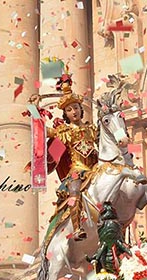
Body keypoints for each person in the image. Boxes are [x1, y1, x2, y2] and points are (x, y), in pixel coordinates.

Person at [46, 75, 99, 241]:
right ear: (65, 114)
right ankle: (77, 228)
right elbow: (51, 154)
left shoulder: (92, 129)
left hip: (96, 168)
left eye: (75, 108)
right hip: (77, 171)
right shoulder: (64, 132)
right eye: (69, 110)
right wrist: (33, 110)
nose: (74, 112)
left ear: (80, 109)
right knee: (74, 191)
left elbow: (108, 138)